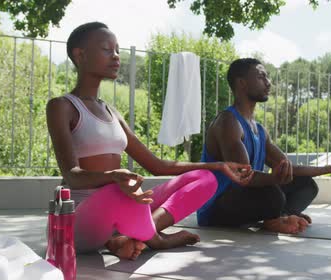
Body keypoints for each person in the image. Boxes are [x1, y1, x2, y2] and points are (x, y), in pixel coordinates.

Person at [46, 22, 253, 260]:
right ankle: (154, 238)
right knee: (121, 191)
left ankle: (126, 238)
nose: (116, 57)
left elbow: (157, 165)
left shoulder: (112, 113)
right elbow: (72, 175)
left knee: (205, 179)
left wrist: (218, 166)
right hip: (79, 221)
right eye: (106, 49)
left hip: (122, 208)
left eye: (117, 50)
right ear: (80, 55)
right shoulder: (62, 106)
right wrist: (114, 176)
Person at [198, 58, 331, 234]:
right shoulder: (228, 122)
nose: (268, 83)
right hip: (217, 208)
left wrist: (328, 168)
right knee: (272, 193)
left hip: (246, 197)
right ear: (242, 83)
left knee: (306, 185)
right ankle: (277, 217)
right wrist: (274, 179)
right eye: (261, 77)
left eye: (267, 77)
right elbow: (243, 177)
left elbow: (287, 168)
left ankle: (280, 216)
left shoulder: (260, 131)